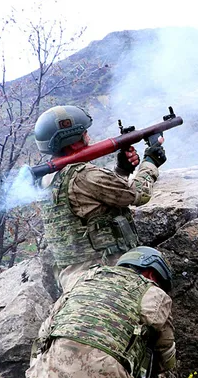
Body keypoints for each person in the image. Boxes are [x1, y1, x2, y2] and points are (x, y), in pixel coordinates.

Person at [33, 105, 167, 290]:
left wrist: (122, 170)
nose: (88, 137)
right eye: (84, 133)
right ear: (73, 141)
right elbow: (138, 194)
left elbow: (94, 200)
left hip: (74, 278)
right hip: (106, 273)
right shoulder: (84, 175)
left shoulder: (46, 179)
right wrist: (151, 161)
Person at [27, 247, 176, 378]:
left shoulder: (84, 277)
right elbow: (165, 356)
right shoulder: (155, 294)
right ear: (151, 274)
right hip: (107, 370)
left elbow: (45, 331)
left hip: (49, 367)